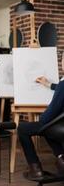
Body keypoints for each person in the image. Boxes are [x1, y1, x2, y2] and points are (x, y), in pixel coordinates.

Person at [18, 52, 64, 180]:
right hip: (60, 126)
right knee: (48, 129)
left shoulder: (63, 84)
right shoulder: (61, 86)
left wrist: (41, 118)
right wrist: (49, 84)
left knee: (23, 128)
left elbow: (47, 117)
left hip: (60, 127)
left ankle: (35, 170)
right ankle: (61, 159)